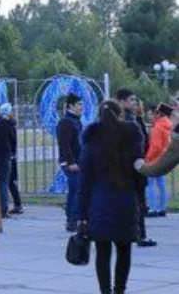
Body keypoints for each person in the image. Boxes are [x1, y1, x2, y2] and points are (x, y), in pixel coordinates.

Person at [80, 100, 145, 294]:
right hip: (126, 200)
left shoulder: (92, 140)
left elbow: (85, 181)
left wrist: (82, 212)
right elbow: (139, 171)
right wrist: (140, 199)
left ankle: (105, 291)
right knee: (124, 249)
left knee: (102, 251)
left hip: (100, 201)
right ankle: (119, 290)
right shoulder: (131, 138)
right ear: (121, 115)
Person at [115, 89, 155, 247]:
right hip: (128, 167)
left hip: (137, 165)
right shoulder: (119, 119)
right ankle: (136, 234)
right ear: (122, 101)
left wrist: (139, 117)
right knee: (132, 202)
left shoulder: (132, 118)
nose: (135, 103)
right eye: (132, 100)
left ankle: (138, 234)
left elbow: (144, 140)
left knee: (138, 202)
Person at [58, 93, 85, 231]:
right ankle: (72, 220)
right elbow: (65, 144)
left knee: (76, 190)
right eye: (79, 104)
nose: (82, 107)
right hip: (70, 163)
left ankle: (75, 218)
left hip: (78, 162)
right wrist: (71, 162)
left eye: (82, 104)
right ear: (70, 106)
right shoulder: (66, 122)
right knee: (75, 190)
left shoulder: (76, 120)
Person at [145, 103, 172, 216]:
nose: (149, 117)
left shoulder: (158, 127)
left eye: (150, 114)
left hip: (154, 159)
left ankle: (152, 208)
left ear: (157, 114)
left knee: (149, 184)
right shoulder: (167, 125)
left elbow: (156, 146)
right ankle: (162, 207)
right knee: (161, 184)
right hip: (164, 158)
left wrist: (148, 158)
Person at [0, 103, 23, 214]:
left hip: (7, 155)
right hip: (11, 155)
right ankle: (17, 204)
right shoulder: (10, 124)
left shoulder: (5, 125)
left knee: (8, 181)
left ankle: (16, 204)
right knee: (10, 181)